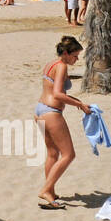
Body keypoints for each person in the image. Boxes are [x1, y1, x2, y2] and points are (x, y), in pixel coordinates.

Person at [35, 36, 92, 210]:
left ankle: (50, 192)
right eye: (75, 56)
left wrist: (78, 102)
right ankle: (45, 190)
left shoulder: (51, 64)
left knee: (53, 153)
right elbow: (59, 94)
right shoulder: (61, 67)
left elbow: (53, 91)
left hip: (40, 110)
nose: (77, 59)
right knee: (69, 155)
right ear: (66, 53)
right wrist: (79, 104)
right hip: (51, 113)